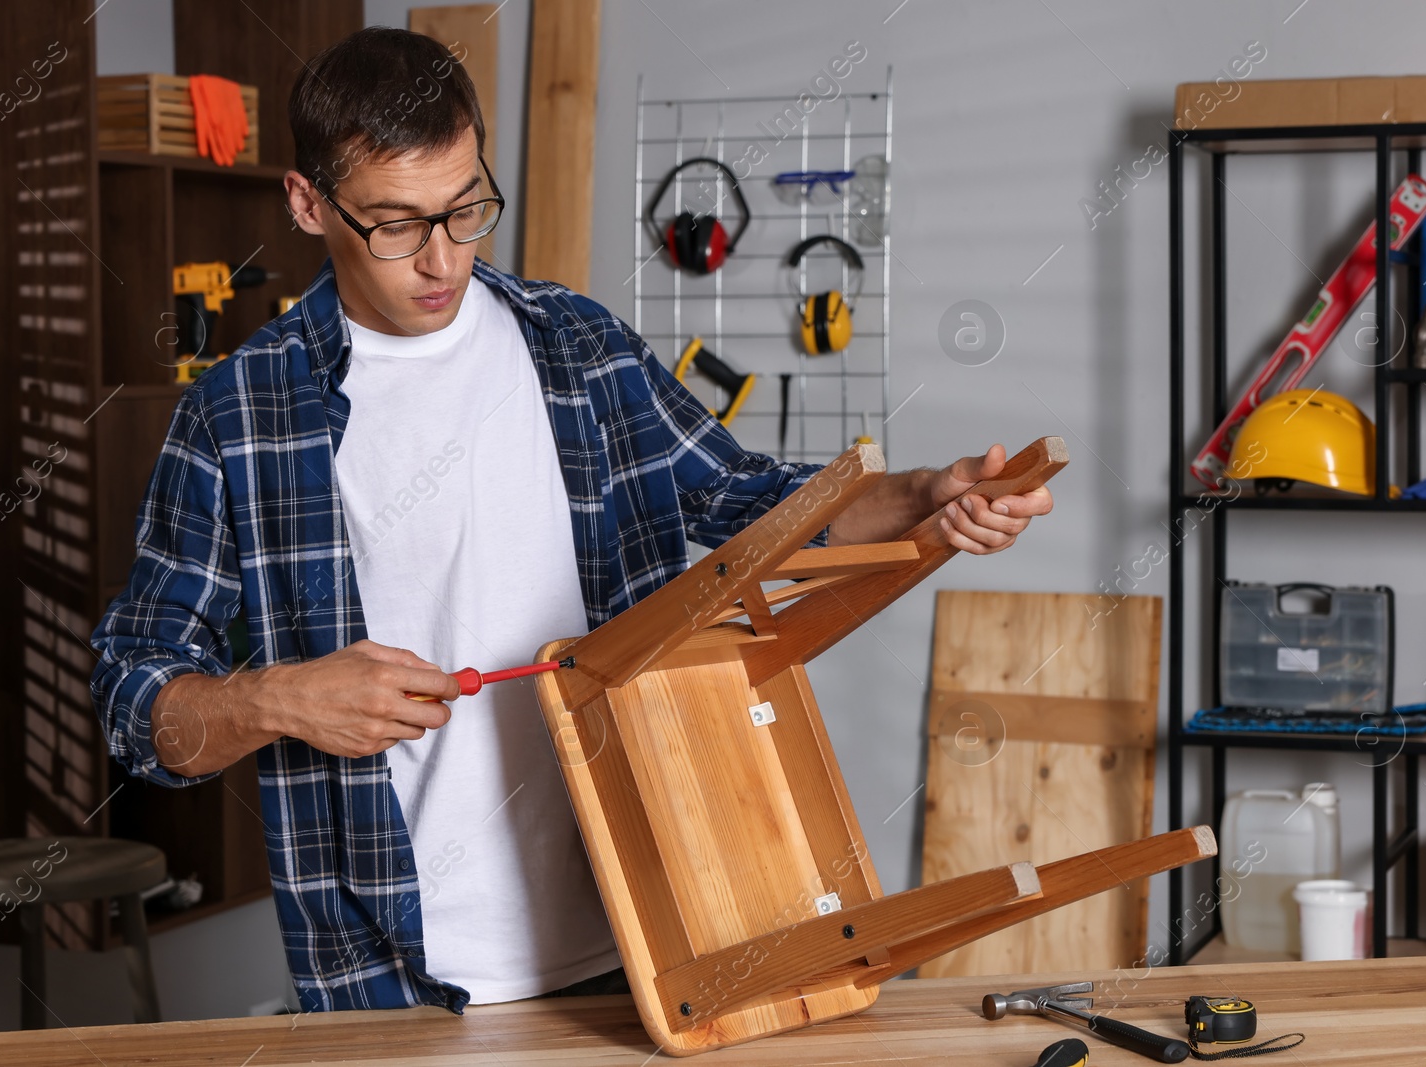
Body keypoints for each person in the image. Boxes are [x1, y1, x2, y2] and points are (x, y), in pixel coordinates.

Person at [89, 26, 1052, 1015]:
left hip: (646, 936)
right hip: (388, 976)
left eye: (467, 211)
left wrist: (928, 496)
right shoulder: (240, 414)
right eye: (395, 223)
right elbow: (133, 698)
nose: (442, 258)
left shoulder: (579, 346)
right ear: (306, 203)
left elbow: (763, 510)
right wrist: (281, 701)